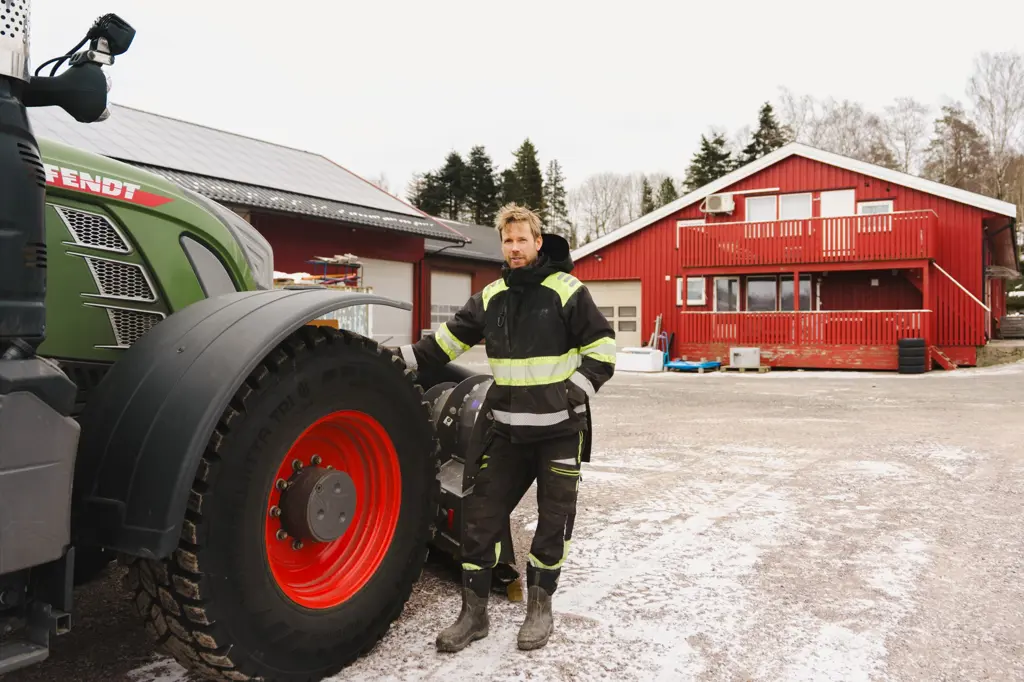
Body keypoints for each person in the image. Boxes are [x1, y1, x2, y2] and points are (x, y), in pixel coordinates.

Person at [398, 203, 616, 652]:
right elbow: (443, 343)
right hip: (506, 432)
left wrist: (571, 394)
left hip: (559, 430)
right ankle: (473, 614)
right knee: (479, 518)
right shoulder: (492, 295)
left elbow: (603, 350)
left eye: (522, 240)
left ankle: (539, 607)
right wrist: (393, 359)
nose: (514, 248)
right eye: (508, 241)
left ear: (538, 242)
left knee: (553, 521)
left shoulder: (567, 290)